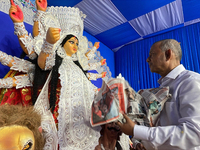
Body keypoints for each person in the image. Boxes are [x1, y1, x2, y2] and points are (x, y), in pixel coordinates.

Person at [117, 39, 200, 150]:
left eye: (152, 55)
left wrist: (136, 130)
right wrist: (141, 143)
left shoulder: (191, 82)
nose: (147, 60)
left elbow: (194, 134)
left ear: (168, 54)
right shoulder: (162, 88)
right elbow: (156, 127)